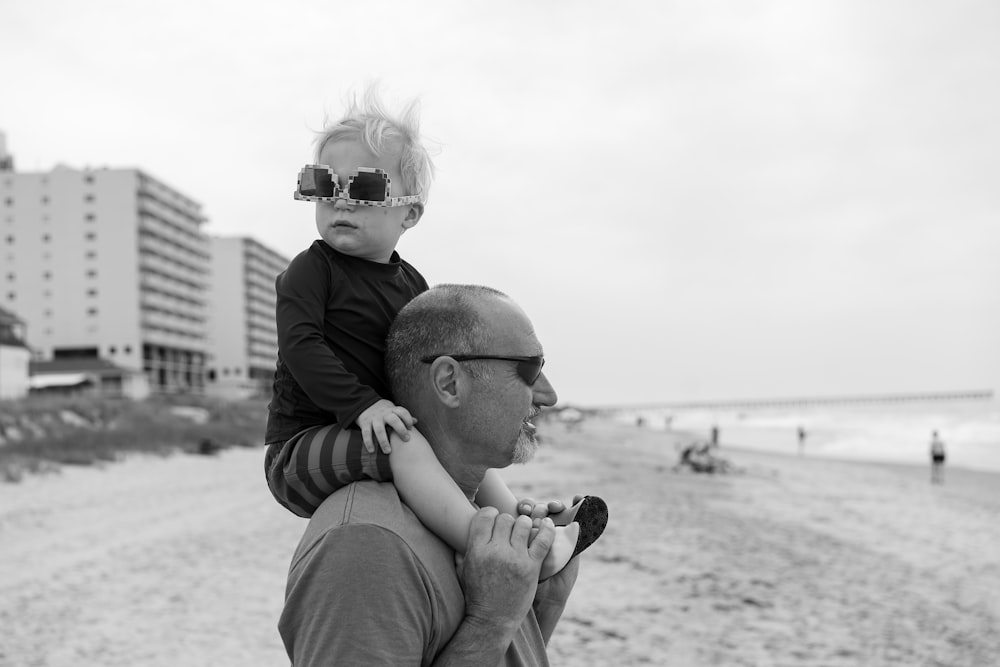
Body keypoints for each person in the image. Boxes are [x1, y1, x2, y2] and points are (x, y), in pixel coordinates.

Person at [264, 88, 599, 580]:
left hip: (369, 427)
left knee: (444, 444)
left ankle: (515, 526)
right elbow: (301, 348)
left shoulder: (413, 286)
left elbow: (418, 363)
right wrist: (362, 406)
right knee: (406, 444)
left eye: (365, 189)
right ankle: (489, 546)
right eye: (324, 185)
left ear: (409, 213)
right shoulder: (310, 273)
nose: (341, 203)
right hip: (302, 447)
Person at [280, 284, 593, 665]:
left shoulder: (472, 511)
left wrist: (540, 601)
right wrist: (492, 620)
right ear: (448, 382)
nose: (549, 396)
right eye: (529, 370)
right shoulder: (366, 542)